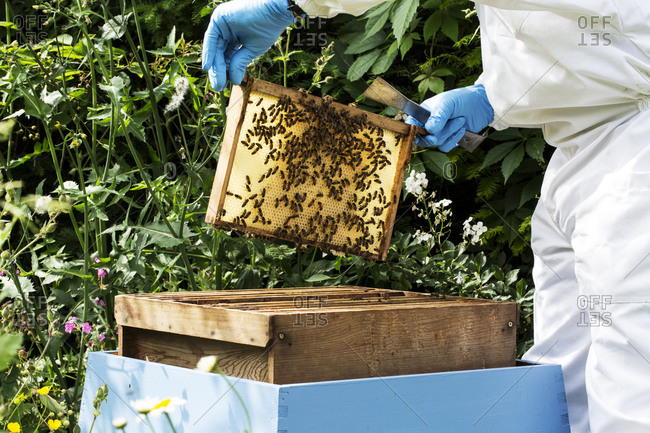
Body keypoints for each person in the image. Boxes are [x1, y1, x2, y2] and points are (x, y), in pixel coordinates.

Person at [202, 2, 650, 432]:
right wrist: (494, 94)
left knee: (632, 388)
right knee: (564, 377)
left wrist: (292, 2)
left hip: (635, 149)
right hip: (580, 149)